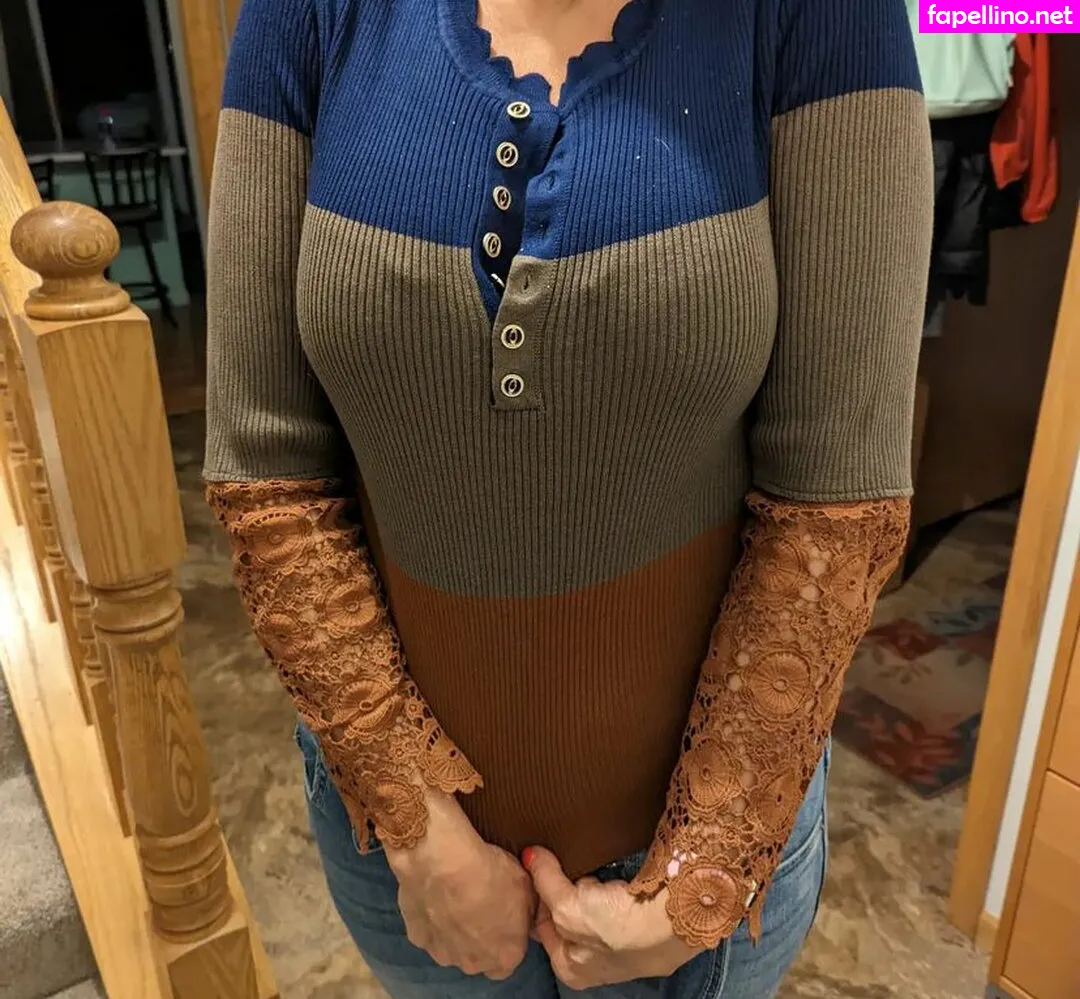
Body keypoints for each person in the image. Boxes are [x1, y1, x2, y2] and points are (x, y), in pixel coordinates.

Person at [203, 0, 932, 994]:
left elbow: (837, 503)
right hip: (411, 860)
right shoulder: (312, 16)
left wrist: (705, 868)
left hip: (695, 877)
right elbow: (267, 468)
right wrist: (417, 822)